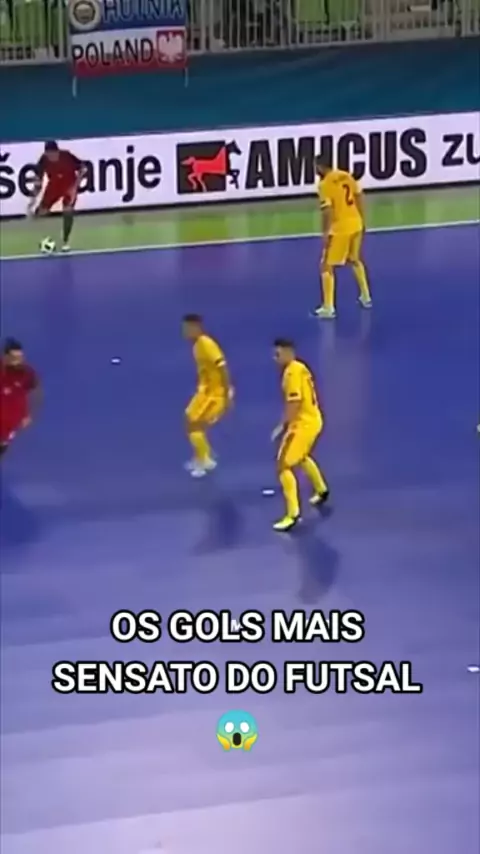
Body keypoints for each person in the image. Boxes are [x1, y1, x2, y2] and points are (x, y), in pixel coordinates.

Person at [271, 338, 329, 532]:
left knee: (283, 465)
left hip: (303, 425)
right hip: (313, 419)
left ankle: (293, 514)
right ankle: (321, 490)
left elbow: (294, 403)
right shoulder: (301, 367)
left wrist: (282, 426)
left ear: (289, 352)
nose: (275, 358)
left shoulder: (291, 373)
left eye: (278, 354)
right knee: (301, 456)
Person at [312, 154, 372, 319]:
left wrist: (325, 232)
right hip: (356, 223)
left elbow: (328, 211)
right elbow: (359, 196)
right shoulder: (346, 176)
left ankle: (328, 307)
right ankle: (366, 296)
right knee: (355, 259)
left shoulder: (324, 185)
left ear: (320, 167)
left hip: (340, 228)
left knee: (326, 265)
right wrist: (362, 219)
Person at [182, 314, 234, 477]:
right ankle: (203, 454)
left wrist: (227, 392)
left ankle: (204, 460)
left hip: (214, 394)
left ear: (196, 327)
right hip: (204, 392)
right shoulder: (196, 345)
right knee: (189, 419)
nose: (185, 332)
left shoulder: (207, 344)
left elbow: (222, 367)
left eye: (188, 328)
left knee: (196, 424)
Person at [28, 140, 86, 252]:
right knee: (40, 212)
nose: (51, 157)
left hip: (69, 186)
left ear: (57, 152)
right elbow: (38, 183)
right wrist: (32, 201)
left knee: (68, 210)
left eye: (53, 154)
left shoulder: (67, 156)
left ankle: (65, 241)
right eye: (49, 154)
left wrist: (75, 186)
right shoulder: (43, 160)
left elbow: (83, 168)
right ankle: (45, 239)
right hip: (54, 186)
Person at [0, 339, 40, 456]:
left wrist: (30, 415)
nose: (18, 360)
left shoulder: (27, 373)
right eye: (14, 357)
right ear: (6, 357)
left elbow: (36, 392)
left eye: (20, 357)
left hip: (11, 423)